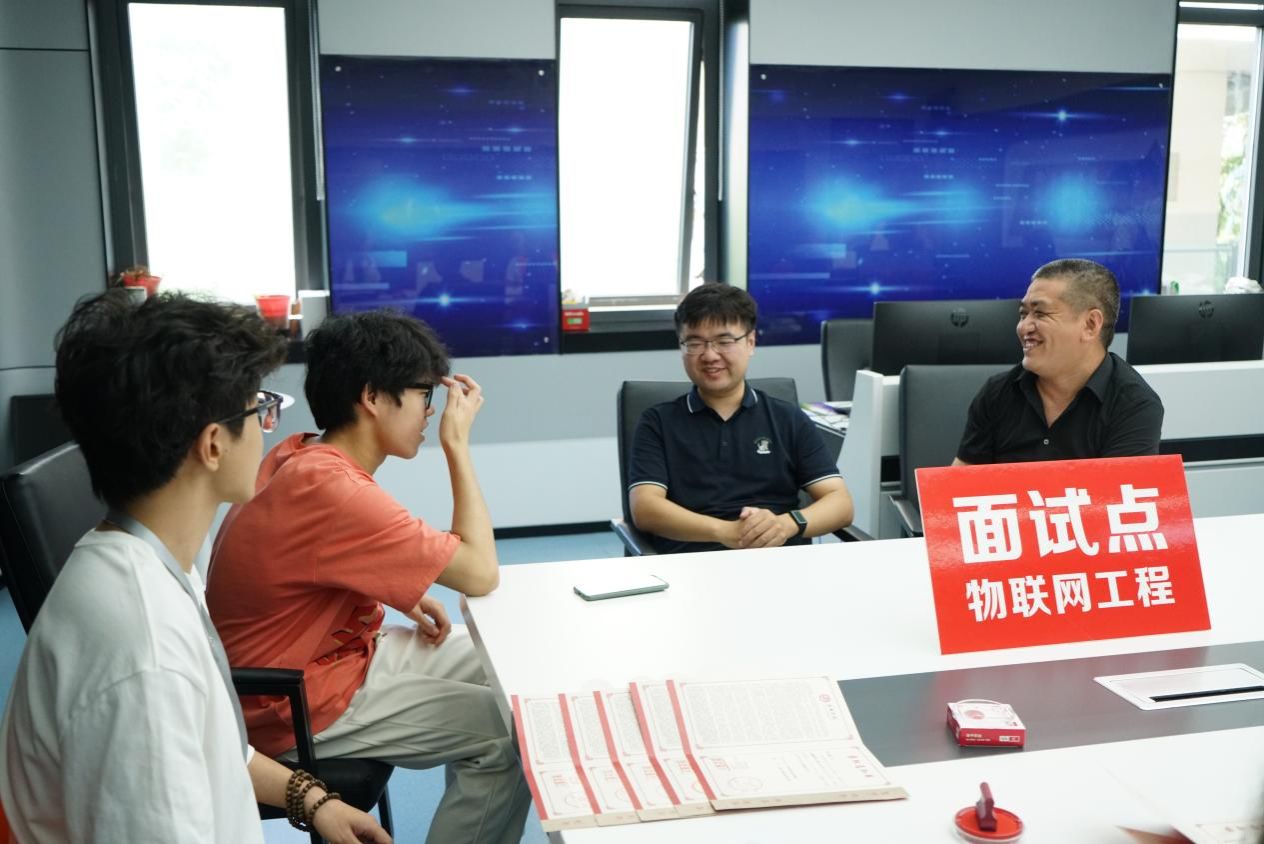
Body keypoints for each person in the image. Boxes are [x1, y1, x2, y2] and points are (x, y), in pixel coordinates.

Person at [0, 291, 390, 844]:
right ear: (212, 445)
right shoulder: (143, 652)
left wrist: (313, 799)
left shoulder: (143, 558)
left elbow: (217, 742)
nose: (268, 427)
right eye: (259, 408)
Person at [206, 310, 530, 844]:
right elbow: (480, 573)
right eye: (423, 393)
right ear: (373, 397)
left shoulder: (303, 453)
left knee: (505, 659)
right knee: (507, 734)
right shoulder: (333, 489)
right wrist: (457, 445)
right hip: (291, 705)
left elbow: (310, 563)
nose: (431, 409)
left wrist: (396, 590)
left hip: (333, 659)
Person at [628, 283, 854, 554]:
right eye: (694, 343)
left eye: (724, 342)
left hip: (778, 561)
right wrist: (725, 532)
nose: (710, 355)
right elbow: (645, 508)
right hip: (691, 563)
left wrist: (785, 525)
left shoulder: (787, 418)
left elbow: (840, 503)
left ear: (750, 343)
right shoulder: (657, 422)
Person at [955, 258, 1164, 465]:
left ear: (1090, 325)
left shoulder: (1133, 405)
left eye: (1040, 313)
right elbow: (961, 479)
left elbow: (1120, 486)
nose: (1023, 327)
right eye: (1023, 314)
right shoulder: (998, 393)